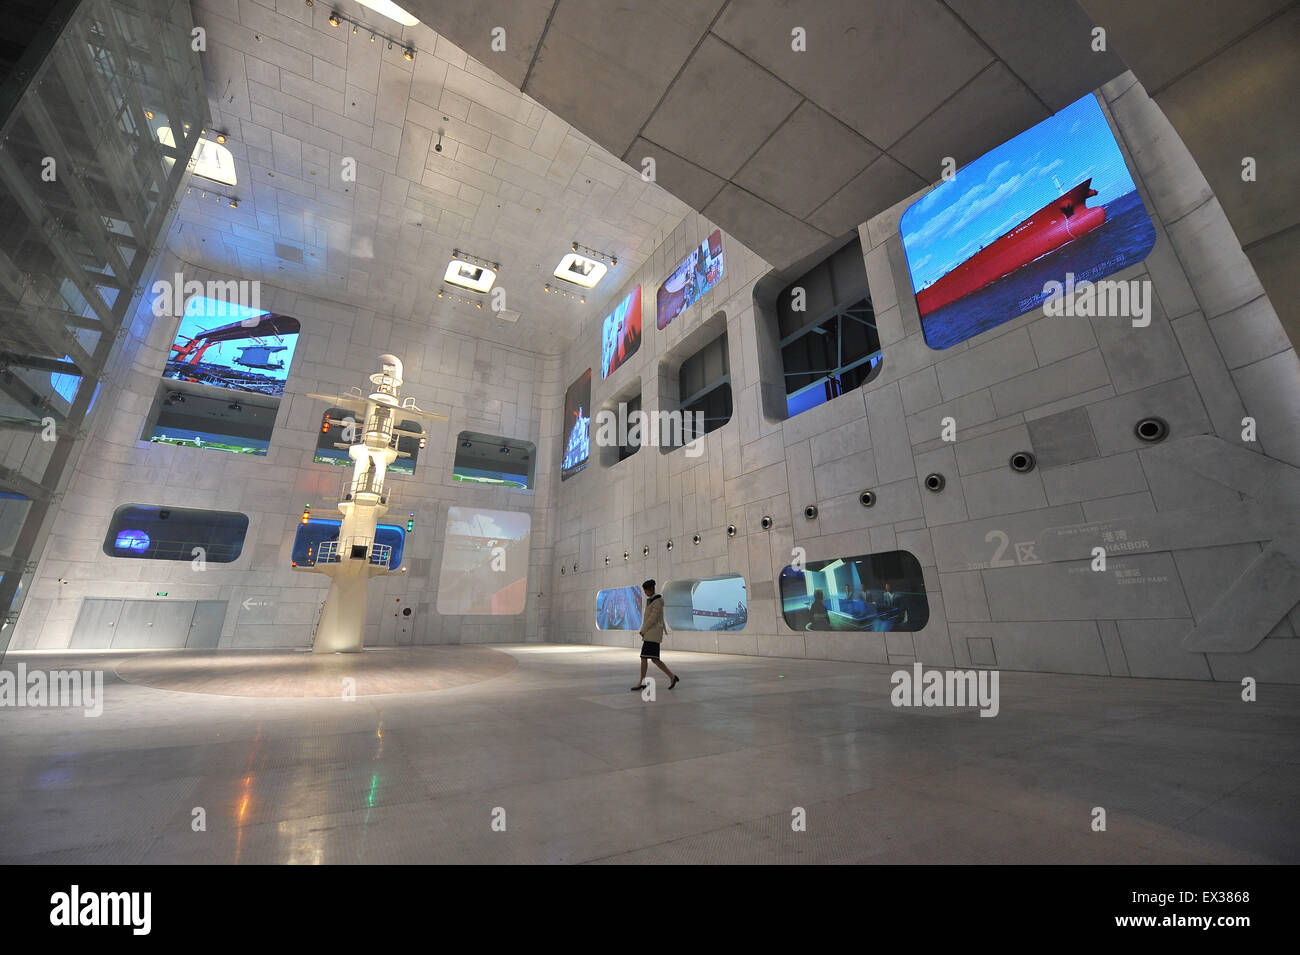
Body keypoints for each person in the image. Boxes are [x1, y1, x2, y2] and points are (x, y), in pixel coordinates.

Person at [631, 579, 678, 691]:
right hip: (650, 634)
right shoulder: (652, 600)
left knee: (651, 659)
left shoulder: (657, 601)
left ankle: (671, 676)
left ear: (651, 589)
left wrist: (643, 630)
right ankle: (670, 677)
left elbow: (652, 618)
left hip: (653, 634)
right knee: (649, 658)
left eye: (646, 590)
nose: (645, 592)